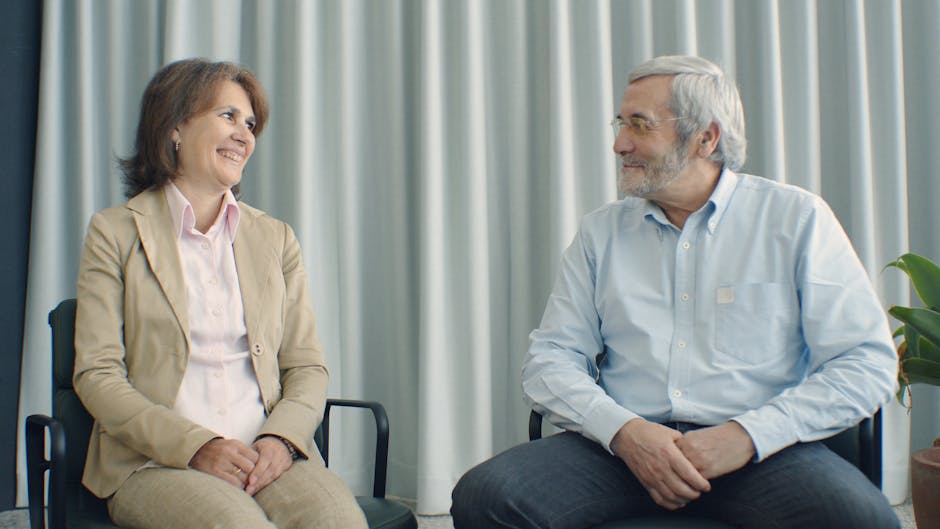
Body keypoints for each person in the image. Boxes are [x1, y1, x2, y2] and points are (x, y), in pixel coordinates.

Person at [451, 55, 900, 529]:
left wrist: (745, 435)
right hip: (625, 449)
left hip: (759, 453)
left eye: (640, 126)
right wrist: (625, 432)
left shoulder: (796, 219)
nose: (619, 143)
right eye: (621, 123)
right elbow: (550, 359)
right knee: (485, 498)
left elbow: (866, 363)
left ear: (706, 138)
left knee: (860, 520)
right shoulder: (601, 233)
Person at [73, 58, 368, 529]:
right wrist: (196, 446)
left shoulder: (276, 238)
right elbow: (97, 374)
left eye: (250, 123)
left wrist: (281, 439)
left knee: (340, 523)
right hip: (156, 462)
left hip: (265, 452)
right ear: (174, 126)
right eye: (227, 116)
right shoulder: (115, 232)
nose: (244, 135)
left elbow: (307, 366)